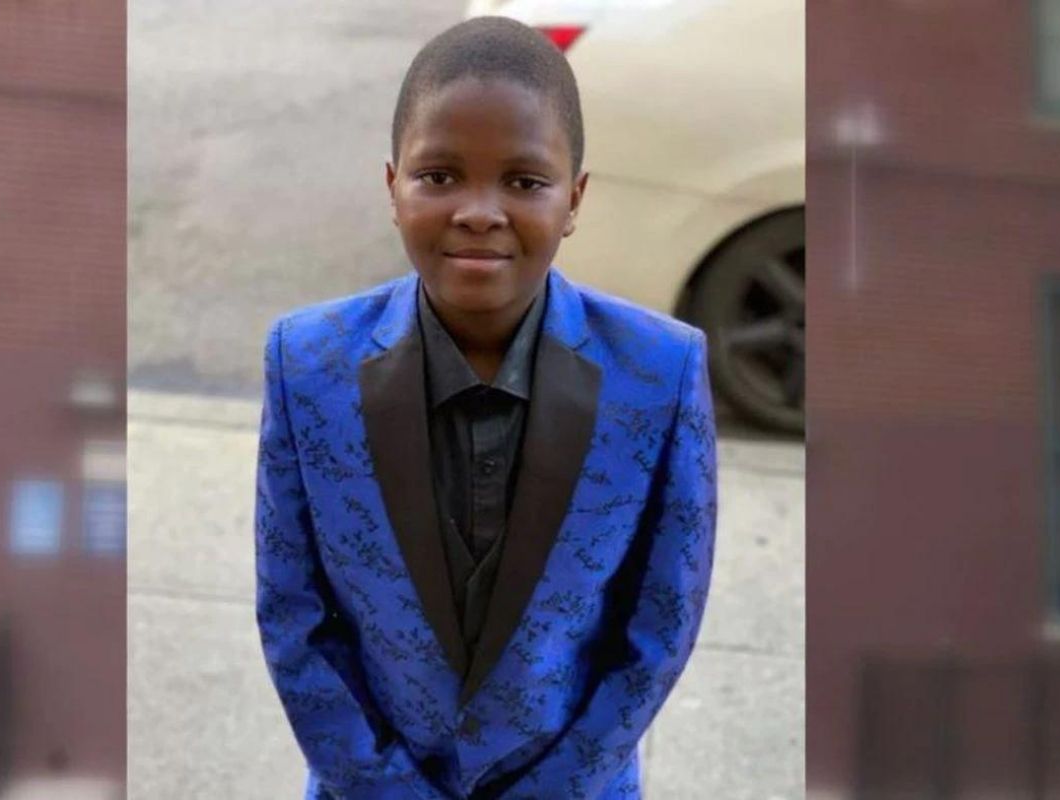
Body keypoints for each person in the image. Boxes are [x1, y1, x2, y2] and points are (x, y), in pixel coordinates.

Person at [255, 16, 716, 800]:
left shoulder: (660, 372)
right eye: (439, 176)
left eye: (524, 182)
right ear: (392, 188)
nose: (478, 210)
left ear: (574, 199)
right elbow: (293, 616)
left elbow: (660, 626)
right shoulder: (307, 362)